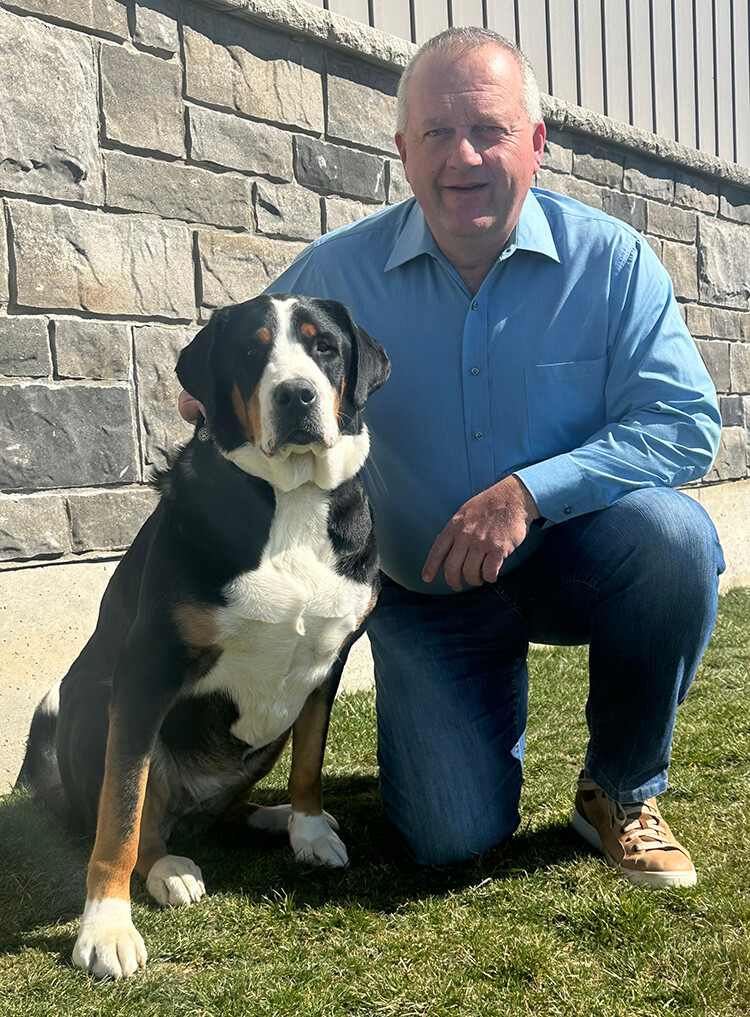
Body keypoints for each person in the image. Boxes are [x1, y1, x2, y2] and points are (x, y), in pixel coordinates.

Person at [180, 27, 724, 885]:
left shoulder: (612, 262)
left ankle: (621, 790)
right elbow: (245, 355)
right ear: (403, 150)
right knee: (448, 840)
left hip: (572, 559)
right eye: (436, 132)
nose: (462, 156)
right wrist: (214, 393)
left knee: (677, 540)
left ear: (537, 144)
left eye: (489, 130)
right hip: (423, 592)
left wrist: (528, 494)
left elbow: (686, 421)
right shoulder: (335, 271)